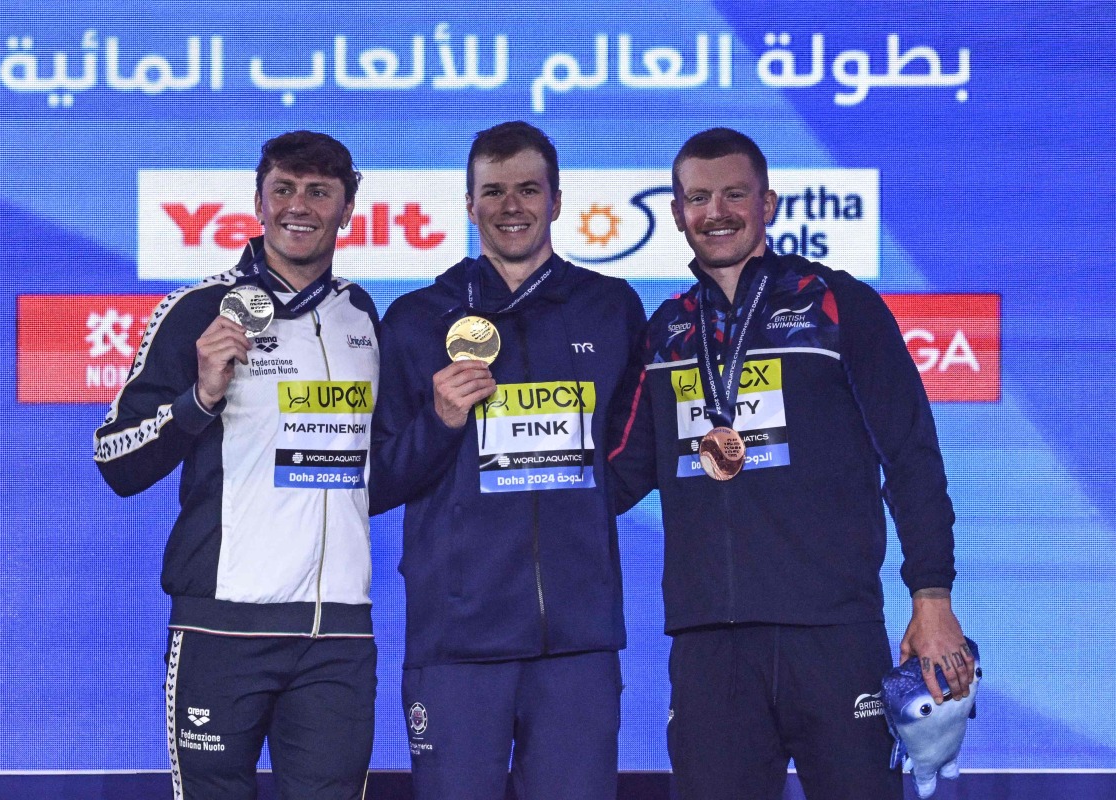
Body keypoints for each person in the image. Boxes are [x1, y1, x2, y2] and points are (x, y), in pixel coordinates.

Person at [606, 127, 975, 800]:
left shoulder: (837, 304)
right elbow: (619, 475)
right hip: (710, 644)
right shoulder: (664, 332)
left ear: (768, 203)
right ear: (677, 211)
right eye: (698, 197)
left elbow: (912, 454)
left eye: (735, 194)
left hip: (832, 633)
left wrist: (932, 596)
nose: (716, 212)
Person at [94, 131, 379, 800]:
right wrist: (198, 399)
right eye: (282, 189)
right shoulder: (196, 310)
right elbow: (115, 459)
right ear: (258, 201)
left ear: (347, 209)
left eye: (318, 191)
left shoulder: (360, 315)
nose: (297, 206)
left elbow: (371, 466)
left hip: (337, 632)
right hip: (222, 629)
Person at [370, 120, 646, 800]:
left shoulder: (610, 309)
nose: (511, 206)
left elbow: (638, 448)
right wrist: (439, 422)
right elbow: (372, 481)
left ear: (557, 199)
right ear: (468, 205)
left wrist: (577, 507)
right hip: (455, 644)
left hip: (577, 644)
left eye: (528, 189)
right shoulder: (415, 319)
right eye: (493, 191)